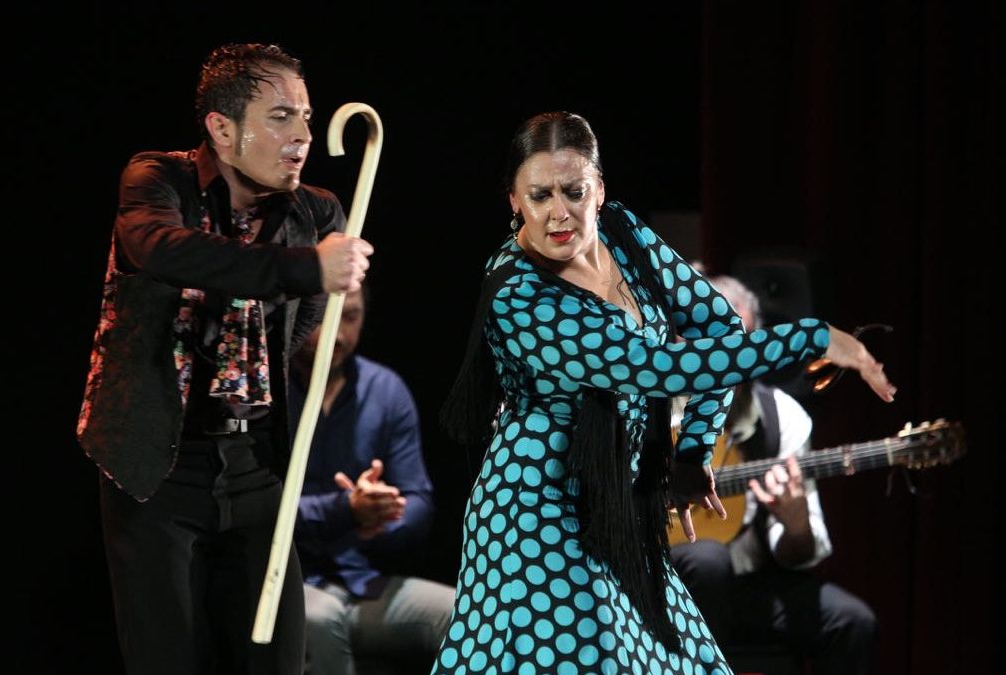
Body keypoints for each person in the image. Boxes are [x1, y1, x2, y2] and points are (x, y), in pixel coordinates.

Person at [433, 111, 895, 674]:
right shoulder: (519, 295)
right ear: (513, 201)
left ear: (599, 189)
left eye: (574, 191)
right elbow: (659, 369)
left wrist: (694, 454)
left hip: (618, 511)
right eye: (539, 195)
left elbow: (719, 327)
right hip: (537, 514)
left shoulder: (624, 234)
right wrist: (814, 336)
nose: (559, 212)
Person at [76, 43, 373, 675]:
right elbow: (160, 249)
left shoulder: (315, 210)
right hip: (156, 466)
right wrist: (304, 268)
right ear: (222, 127)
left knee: (276, 657)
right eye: (280, 117)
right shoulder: (157, 180)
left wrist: (251, 373)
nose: (302, 137)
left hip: (257, 465)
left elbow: (301, 329)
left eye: (307, 118)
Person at [669, 274, 877, 675]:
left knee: (852, 622)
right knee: (708, 561)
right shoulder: (649, 405)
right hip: (660, 583)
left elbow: (798, 554)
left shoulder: (783, 417)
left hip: (747, 587)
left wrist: (796, 522)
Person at [290, 287, 454, 675]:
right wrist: (345, 510)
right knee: (318, 618)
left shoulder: (385, 390)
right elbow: (264, 511)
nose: (339, 334)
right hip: (288, 585)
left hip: (361, 583)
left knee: (467, 615)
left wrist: (383, 513)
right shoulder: (270, 395)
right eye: (323, 318)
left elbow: (419, 501)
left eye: (351, 316)